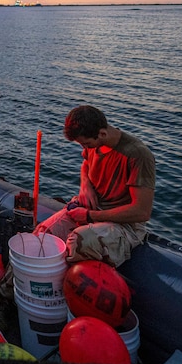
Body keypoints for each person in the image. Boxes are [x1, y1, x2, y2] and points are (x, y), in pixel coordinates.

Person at [34, 105, 155, 267]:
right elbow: (86, 163)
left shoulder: (138, 155)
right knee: (41, 234)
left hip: (124, 226)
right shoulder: (94, 144)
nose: (84, 149)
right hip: (91, 211)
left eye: (86, 144)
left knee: (78, 241)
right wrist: (85, 185)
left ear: (102, 134)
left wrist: (90, 216)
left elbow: (142, 211)